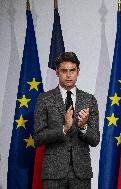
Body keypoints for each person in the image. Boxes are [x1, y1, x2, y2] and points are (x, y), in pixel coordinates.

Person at [34, 52, 100, 189]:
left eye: (72, 70)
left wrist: (83, 127)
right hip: (53, 173)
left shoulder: (90, 100)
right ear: (57, 72)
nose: (68, 75)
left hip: (81, 173)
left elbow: (95, 140)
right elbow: (38, 138)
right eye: (64, 71)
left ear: (78, 72)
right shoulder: (44, 99)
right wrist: (63, 129)